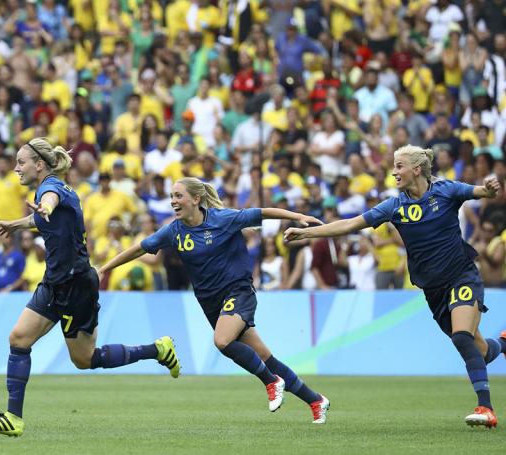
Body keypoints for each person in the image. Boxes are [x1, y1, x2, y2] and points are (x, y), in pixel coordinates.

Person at [285, 145, 506, 428]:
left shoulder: (447, 191)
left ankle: (485, 408)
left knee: (462, 337)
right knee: (481, 351)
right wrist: (306, 232)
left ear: (416, 169)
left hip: (462, 276)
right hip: (433, 291)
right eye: (393, 166)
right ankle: (502, 343)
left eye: (399, 166)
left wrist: (489, 187)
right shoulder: (395, 206)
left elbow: (484, 193)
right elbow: (351, 224)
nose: (393, 172)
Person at [0, 138, 181, 437]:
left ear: (39, 164)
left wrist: (43, 208)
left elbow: (48, 204)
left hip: (76, 285)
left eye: (21, 162)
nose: (16, 167)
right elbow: (44, 216)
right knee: (19, 338)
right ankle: (13, 417)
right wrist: (17, 224)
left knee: (83, 360)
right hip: (54, 281)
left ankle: (158, 349)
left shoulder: (53, 188)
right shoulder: (50, 190)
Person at [98, 177, 332, 424]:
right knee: (266, 358)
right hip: (210, 303)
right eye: (171, 197)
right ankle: (316, 401)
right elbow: (140, 248)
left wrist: (297, 217)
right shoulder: (174, 230)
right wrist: (105, 269)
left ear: (196, 199)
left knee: (222, 341)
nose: (173, 202)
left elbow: (263, 213)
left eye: (179, 196)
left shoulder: (223, 218)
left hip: (238, 292)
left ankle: (271, 382)